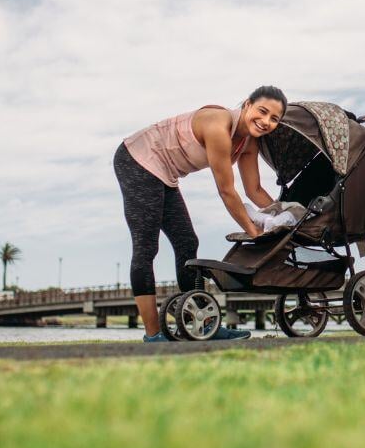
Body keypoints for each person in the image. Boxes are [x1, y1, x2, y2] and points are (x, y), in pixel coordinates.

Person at [113, 85, 287, 342]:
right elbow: (227, 192)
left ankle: (203, 327)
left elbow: (254, 190)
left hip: (166, 173)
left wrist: (286, 216)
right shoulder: (218, 126)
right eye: (262, 112)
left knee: (187, 242)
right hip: (137, 159)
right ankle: (153, 335)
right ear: (247, 104)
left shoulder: (249, 141)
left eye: (274, 119)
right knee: (146, 247)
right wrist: (255, 233)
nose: (266, 121)